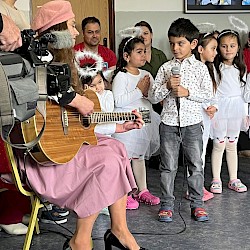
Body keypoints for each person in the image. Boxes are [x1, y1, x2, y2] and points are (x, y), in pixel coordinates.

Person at [8, 1, 147, 250]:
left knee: (117, 150)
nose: (75, 32)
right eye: (71, 25)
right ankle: (83, 239)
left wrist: (119, 126)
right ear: (57, 29)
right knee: (106, 161)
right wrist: (75, 99)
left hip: (65, 147)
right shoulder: (32, 60)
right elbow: (43, 96)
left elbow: (76, 127)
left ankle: (118, 229)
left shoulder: (64, 64)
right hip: (44, 159)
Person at [149, 18, 213, 223]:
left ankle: (197, 204)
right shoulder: (166, 68)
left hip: (192, 123)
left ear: (193, 44)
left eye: (180, 43)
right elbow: (153, 97)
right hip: (168, 123)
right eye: (172, 44)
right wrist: (167, 86)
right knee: (168, 166)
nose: (175, 48)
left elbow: (208, 94)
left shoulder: (200, 68)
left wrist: (187, 92)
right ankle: (167, 205)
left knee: (195, 164)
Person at [112, 35, 161, 210]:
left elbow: (154, 98)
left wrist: (149, 93)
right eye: (138, 52)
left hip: (144, 120)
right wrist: (140, 91)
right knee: (124, 158)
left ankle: (143, 190)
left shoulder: (146, 74)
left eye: (144, 51)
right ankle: (123, 194)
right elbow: (118, 101)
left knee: (139, 157)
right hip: (126, 122)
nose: (143, 55)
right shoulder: (121, 76)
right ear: (126, 56)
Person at [210, 29, 248, 194]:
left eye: (232, 46)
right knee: (219, 145)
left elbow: (244, 94)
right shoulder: (215, 68)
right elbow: (213, 92)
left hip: (236, 110)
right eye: (224, 46)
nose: (228, 49)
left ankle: (233, 178)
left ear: (238, 47)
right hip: (220, 109)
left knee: (232, 145)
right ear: (218, 48)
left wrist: (246, 114)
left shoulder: (242, 69)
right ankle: (216, 179)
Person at [190, 32, 218, 201]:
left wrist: (214, 106)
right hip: (194, 116)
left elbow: (214, 94)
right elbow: (191, 94)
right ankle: (192, 188)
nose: (215, 52)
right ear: (200, 49)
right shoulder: (192, 69)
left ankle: (198, 185)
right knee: (194, 152)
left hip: (206, 117)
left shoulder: (211, 68)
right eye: (212, 48)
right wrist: (203, 105)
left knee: (202, 151)